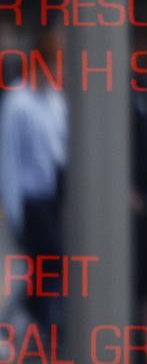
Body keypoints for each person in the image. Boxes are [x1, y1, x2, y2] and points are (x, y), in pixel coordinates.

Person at [0, 27, 68, 332]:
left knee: (50, 267)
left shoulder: (56, 100)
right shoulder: (18, 102)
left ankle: (35, 321)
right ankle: (29, 318)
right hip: (30, 198)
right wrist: (14, 211)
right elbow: (9, 158)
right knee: (46, 263)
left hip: (55, 196)